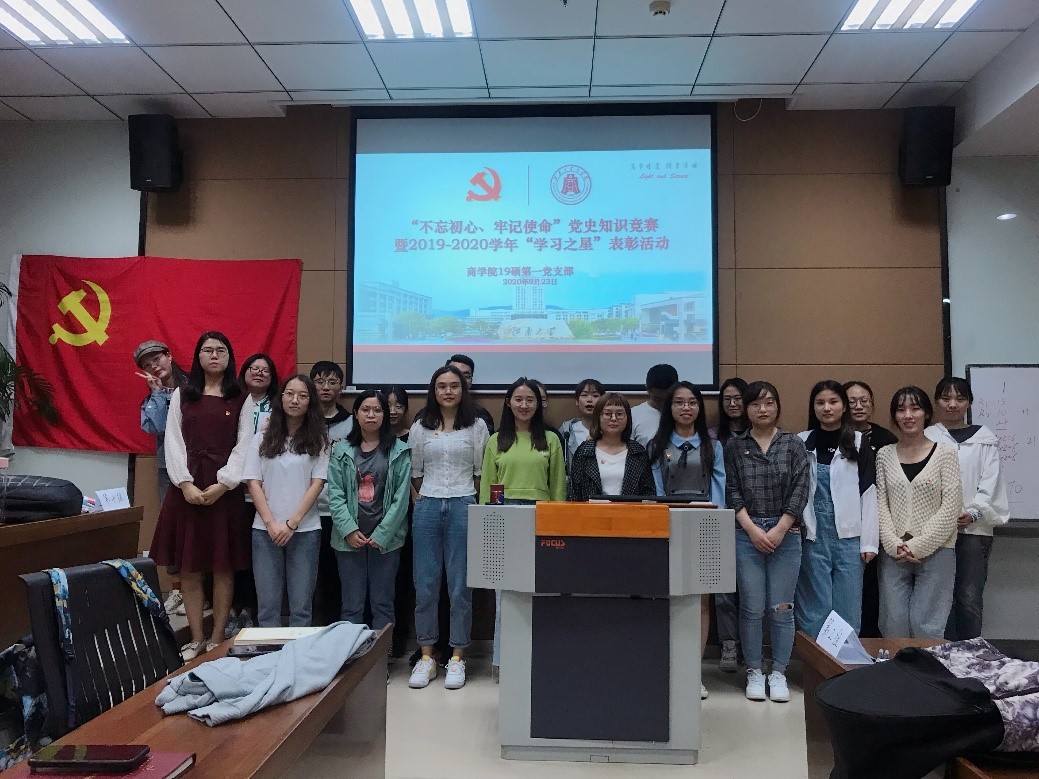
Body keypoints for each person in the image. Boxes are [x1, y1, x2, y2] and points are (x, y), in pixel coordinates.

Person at [150, 331, 253, 660]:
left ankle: (217, 637)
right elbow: (173, 441)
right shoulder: (183, 394)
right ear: (198, 357)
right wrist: (185, 483)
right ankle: (196, 638)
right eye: (208, 350)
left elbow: (245, 445)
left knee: (223, 566)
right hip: (188, 487)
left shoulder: (242, 398)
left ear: (229, 357)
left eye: (220, 350)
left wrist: (224, 483)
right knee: (190, 567)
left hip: (225, 490)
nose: (214, 355)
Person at [724, 381, 810, 703]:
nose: (762, 409)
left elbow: (801, 488)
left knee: (781, 608)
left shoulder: (793, 444)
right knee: (751, 607)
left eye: (769, 403)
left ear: (777, 406)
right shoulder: (735, 446)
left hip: (786, 534)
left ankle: (779, 672)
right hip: (747, 534)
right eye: (755, 404)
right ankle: (755, 671)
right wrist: (751, 529)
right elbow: (731, 490)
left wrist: (779, 528)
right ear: (746, 409)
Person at [407, 367, 489, 690]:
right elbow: (414, 471)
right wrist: (423, 499)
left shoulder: (476, 426)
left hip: (463, 503)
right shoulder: (420, 426)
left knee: (460, 587)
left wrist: (467, 500)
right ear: (434, 391)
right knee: (425, 586)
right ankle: (427, 657)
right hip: (428, 504)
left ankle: (457, 657)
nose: (448, 391)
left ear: (462, 390)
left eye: (454, 386)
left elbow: (481, 472)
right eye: (442, 386)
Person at [481, 378, 567, 674]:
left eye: (530, 400)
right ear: (508, 403)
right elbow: (488, 486)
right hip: (505, 517)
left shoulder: (551, 440)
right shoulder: (496, 440)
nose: (524, 405)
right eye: (518, 399)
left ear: (539, 404)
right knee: (505, 595)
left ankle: (542, 659)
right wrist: (491, 523)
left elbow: (558, 487)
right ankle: (504, 661)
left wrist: (555, 523)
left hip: (541, 516)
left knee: (541, 591)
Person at [648, 381, 725, 699]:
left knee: (700, 600)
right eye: (679, 402)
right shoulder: (657, 444)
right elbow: (655, 490)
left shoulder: (712, 446)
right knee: (668, 598)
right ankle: (668, 668)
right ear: (670, 408)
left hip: (704, 527)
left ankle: (694, 671)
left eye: (692, 402)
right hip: (668, 526)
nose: (686, 408)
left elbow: (719, 488)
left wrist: (713, 523)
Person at [925, 377, 1009, 640]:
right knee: (939, 598)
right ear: (936, 402)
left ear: (969, 403)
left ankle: (970, 654)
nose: (952, 404)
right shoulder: (927, 437)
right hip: (936, 532)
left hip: (974, 530)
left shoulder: (985, 439)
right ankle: (942, 654)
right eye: (946, 398)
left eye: (960, 399)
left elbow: (991, 481)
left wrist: (973, 512)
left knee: (969, 597)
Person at [243, 374, 329, 627]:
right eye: (289, 394)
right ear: (280, 398)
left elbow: (317, 483)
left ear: (310, 402)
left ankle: (297, 652)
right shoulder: (261, 439)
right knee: (267, 607)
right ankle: (269, 652)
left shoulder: (319, 440)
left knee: (301, 608)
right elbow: (253, 483)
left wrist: (291, 524)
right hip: (265, 531)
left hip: (305, 530)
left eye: (302, 396)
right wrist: (271, 524)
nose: (295, 400)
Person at [876, 386, 962, 639]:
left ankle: (925, 667)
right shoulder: (884, 455)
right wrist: (895, 544)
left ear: (926, 413)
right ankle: (897, 667)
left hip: (938, 549)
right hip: (894, 551)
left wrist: (918, 546)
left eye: (915, 408)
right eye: (901, 410)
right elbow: (881, 505)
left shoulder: (945, 453)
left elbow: (951, 506)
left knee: (927, 625)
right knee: (893, 622)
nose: (908, 415)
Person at [795, 381, 878, 639]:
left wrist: (869, 542)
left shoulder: (859, 442)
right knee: (814, 607)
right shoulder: (801, 442)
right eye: (820, 403)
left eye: (833, 402)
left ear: (844, 406)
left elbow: (869, 492)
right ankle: (814, 661)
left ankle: (844, 661)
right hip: (812, 535)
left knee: (848, 607)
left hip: (850, 538)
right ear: (813, 408)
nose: (827, 408)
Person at [328, 390, 411, 631]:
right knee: (351, 606)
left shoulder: (399, 450)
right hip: (348, 540)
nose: (371, 415)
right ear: (356, 414)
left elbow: (401, 498)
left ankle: (382, 655)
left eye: (377, 410)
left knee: (383, 604)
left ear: (385, 415)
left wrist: (383, 533)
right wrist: (348, 530)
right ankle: (352, 653)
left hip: (386, 541)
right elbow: (335, 494)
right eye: (365, 410)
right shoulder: (341, 449)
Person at [226, 353, 280, 637]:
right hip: (232, 489)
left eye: (265, 370)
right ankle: (232, 609)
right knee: (235, 552)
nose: (258, 373)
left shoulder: (280, 405)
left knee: (259, 557)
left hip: (265, 491)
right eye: (253, 368)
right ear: (244, 372)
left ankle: (252, 610)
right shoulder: (232, 401)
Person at [843, 379, 897, 638]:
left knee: (874, 586)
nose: (858, 406)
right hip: (843, 524)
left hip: (879, 521)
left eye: (864, 401)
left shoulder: (886, 439)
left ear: (873, 405)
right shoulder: (835, 436)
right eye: (852, 401)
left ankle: (871, 642)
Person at [707, 376, 748, 672]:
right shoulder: (711, 437)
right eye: (727, 399)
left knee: (751, 591)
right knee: (722, 592)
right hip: (719, 520)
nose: (733, 404)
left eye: (738, 398)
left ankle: (751, 646)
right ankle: (729, 644)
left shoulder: (759, 435)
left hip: (753, 522)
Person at [310, 361, 354, 626]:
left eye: (332, 382)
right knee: (308, 577)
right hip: (306, 511)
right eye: (319, 381)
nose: (326, 387)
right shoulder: (302, 420)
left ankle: (335, 629)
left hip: (339, 512)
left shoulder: (351, 423)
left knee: (336, 576)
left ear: (341, 387)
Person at [567, 392, 655, 501]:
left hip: (630, 511)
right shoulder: (584, 451)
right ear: (598, 417)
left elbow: (648, 493)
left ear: (627, 418)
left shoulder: (638, 452)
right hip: (591, 511)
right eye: (607, 414)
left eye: (619, 414)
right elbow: (574, 494)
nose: (613, 418)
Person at [135, 339, 187, 505]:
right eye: (147, 365)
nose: (154, 366)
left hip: (196, 463)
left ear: (169, 356)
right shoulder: (150, 401)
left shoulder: (194, 387)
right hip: (168, 467)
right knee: (169, 516)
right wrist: (157, 393)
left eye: (157, 359)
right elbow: (157, 428)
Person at [386, 385, 416, 659]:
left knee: (403, 581)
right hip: (375, 520)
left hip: (409, 516)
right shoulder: (372, 436)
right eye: (388, 404)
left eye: (399, 405)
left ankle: (399, 638)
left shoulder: (413, 436)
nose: (393, 411)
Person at [558, 378, 604, 472]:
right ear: (577, 401)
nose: (589, 400)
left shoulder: (610, 431)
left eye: (595, 395)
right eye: (584, 395)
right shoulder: (566, 431)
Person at [445, 354, 496, 434]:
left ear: (471, 382)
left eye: (465, 376)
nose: (460, 380)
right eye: (455, 374)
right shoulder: (427, 414)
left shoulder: (481, 416)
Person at [631, 363, 678, 447]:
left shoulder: (684, 413)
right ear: (647, 389)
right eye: (658, 399)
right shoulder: (632, 415)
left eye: (667, 399)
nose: (663, 403)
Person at [530, 378, 563, 446]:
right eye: (531, 400)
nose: (539, 405)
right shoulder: (508, 434)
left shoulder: (554, 435)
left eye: (542, 400)